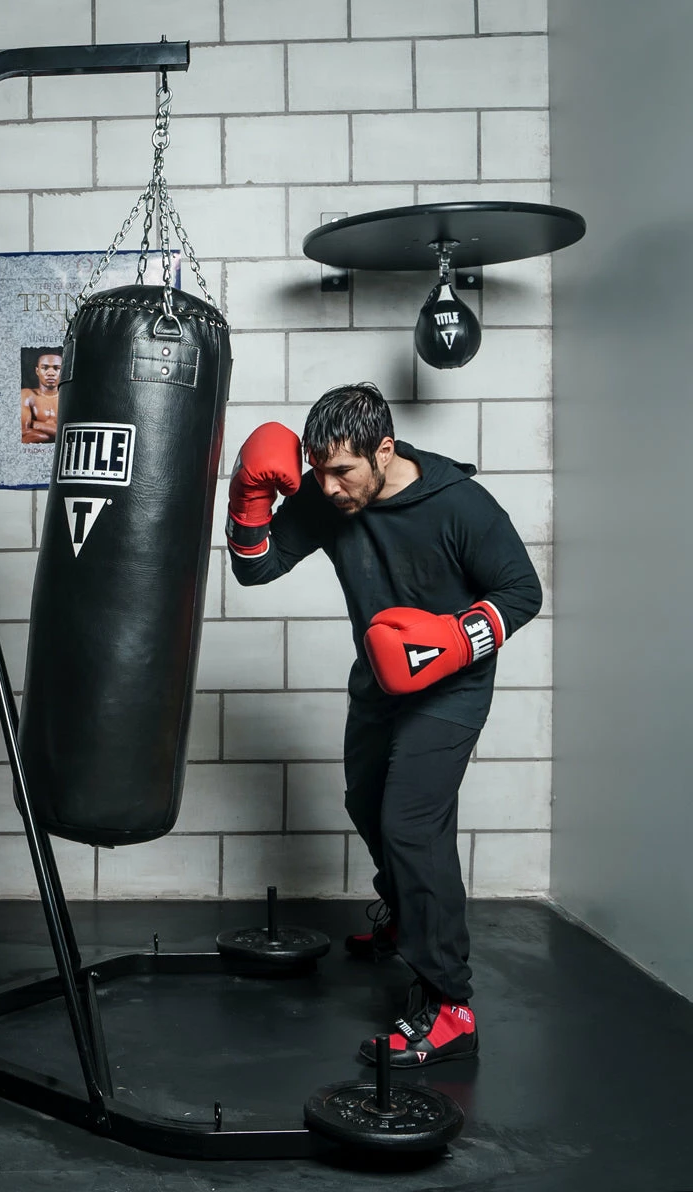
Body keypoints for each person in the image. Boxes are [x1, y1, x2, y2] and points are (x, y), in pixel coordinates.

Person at [225, 383, 541, 1068]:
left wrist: (452, 641)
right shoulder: (327, 496)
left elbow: (523, 591)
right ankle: (406, 918)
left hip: (452, 691)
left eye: (342, 470)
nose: (328, 486)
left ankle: (450, 1006)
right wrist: (247, 496)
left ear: (385, 450)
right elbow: (255, 569)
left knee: (411, 826)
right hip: (378, 683)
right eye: (318, 471)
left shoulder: (460, 505)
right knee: (365, 804)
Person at [20, 348, 62, 444]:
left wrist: (36, 424)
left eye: (57, 368)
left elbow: (72, 434)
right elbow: (23, 433)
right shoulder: (27, 395)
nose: (50, 373)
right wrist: (51, 435)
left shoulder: (69, 398)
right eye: (45, 368)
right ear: (37, 371)